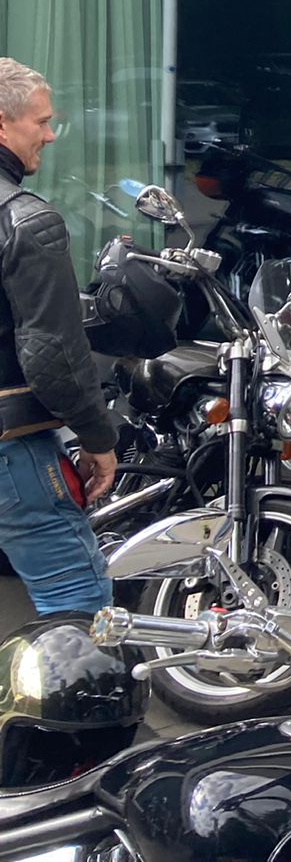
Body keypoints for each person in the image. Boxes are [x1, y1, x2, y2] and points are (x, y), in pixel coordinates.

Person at [0, 59, 117, 615]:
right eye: (42, 121)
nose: (49, 135)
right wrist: (97, 437)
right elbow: (52, 355)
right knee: (79, 603)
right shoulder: (26, 221)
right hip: (11, 445)